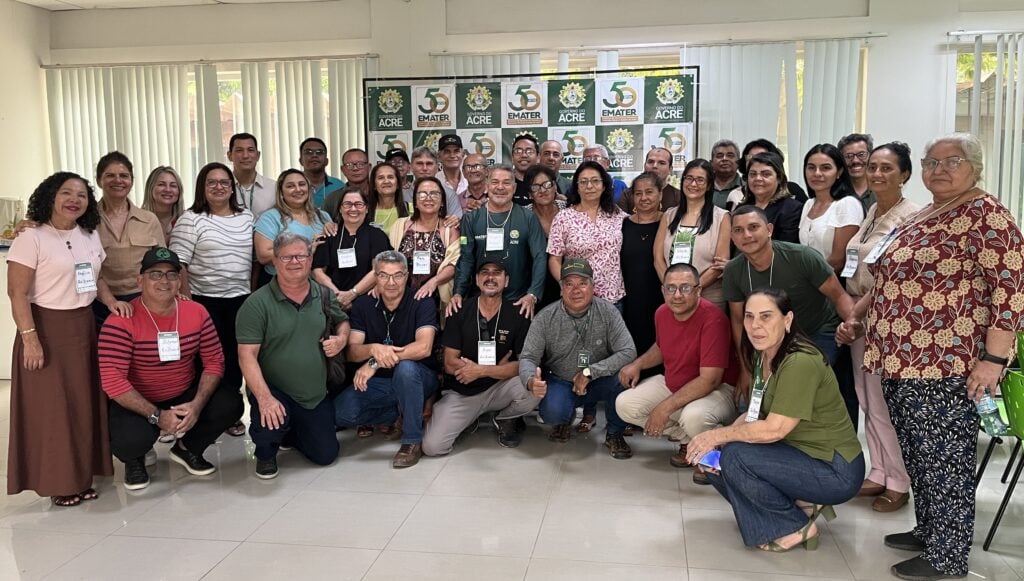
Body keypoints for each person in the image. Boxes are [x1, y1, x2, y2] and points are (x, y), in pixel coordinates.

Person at [857, 133, 1024, 581]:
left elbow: (1010, 291)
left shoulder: (986, 215)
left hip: (946, 361)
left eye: (953, 161)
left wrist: (994, 358)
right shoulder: (927, 213)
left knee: (945, 456)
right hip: (899, 357)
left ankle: (948, 555)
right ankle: (930, 529)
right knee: (918, 451)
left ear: (976, 166)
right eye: (932, 162)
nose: (939, 170)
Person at [687, 289, 863, 552]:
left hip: (835, 469)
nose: (755, 325)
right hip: (800, 454)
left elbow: (775, 429)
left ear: (787, 320)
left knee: (735, 456)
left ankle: (793, 526)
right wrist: (714, 446)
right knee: (716, 459)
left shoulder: (800, 361)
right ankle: (800, 504)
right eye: (749, 317)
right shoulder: (765, 354)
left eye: (766, 316)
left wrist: (717, 436)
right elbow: (754, 413)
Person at [6, 172, 115, 506]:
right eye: (66, 193)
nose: (74, 200)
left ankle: (82, 475)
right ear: (49, 196)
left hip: (83, 327)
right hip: (45, 328)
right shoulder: (31, 237)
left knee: (82, 406)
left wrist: (111, 303)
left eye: (81, 195)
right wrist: (30, 339)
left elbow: (95, 279)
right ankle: (59, 481)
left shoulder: (89, 234)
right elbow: (17, 293)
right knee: (54, 411)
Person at [99, 247, 242, 489]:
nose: (164, 281)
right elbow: (113, 381)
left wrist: (196, 405)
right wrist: (157, 416)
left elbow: (214, 361)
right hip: (140, 399)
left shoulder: (196, 311)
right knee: (129, 440)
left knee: (231, 404)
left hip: (182, 392)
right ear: (140, 280)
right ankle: (135, 459)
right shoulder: (121, 320)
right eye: (155, 274)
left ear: (179, 281)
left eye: (171, 275)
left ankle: (187, 449)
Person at [723, 206, 859, 423]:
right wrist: (746, 369)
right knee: (747, 401)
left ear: (769, 229)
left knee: (796, 383)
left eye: (753, 227)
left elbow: (839, 296)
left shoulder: (802, 257)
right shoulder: (733, 270)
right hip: (769, 340)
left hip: (816, 332)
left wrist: (852, 323)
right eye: (738, 230)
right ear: (732, 237)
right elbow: (738, 321)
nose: (746, 235)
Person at [842, 142, 918, 513]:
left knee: (885, 401)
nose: (876, 174)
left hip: (887, 320)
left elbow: (891, 276)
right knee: (866, 397)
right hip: (860, 318)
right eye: (872, 167)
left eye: (887, 168)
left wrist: (854, 312)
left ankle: (900, 481)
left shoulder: (911, 217)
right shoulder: (873, 210)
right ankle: (879, 470)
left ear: (904, 174)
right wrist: (851, 314)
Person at [237, 232, 349, 479]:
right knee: (269, 421)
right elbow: (246, 356)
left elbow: (343, 322)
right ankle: (266, 453)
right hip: (274, 390)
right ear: (275, 262)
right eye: (286, 257)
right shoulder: (256, 304)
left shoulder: (324, 295)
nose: (294, 262)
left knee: (326, 455)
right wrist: (264, 398)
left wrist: (341, 339)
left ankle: (290, 432)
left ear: (310, 260)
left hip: (314, 393)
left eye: (300, 255)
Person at [616, 263, 739, 482]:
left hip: (718, 390)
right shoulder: (662, 312)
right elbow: (662, 348)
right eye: (671, 288)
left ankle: (711, 454)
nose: (677, 295)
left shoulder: (714, 319)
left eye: (685, 288)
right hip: (675, 383)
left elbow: (710, 380)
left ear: (698, 290)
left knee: (694, 417)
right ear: (663, 291)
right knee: (625, 404)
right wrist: (638, 364)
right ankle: (690, 443)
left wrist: (664, 408)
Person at [169, 162, 254, 439]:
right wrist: (188, 302)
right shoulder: (190, 218)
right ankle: (202, 411)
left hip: (240, 299)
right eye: (211, 182)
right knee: (207, 360)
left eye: (224, 182)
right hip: (205, 300)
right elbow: (179, 263)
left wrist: (251, 292)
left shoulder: (246, 217)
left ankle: (231, 415)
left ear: (232, 187)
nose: (219, 187)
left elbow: (252, 260)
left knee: (235, 358)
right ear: (202, 188)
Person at [519, 258, 637, 457]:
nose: (576, 290)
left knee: (623, 377)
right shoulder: (546, 317)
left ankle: (615, 433)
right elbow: (528, 356)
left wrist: (590, 372)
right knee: (552, 413)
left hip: (599, 380)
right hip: (561, 379)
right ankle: (563, 420)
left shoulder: (608, 312)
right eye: (569, 284)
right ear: (561, 289)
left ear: (592, 286)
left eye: (583, 283)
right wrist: (530, 380)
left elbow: (628, 351)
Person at [334, 251, 439, 468]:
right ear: (375, 277)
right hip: (381, 383)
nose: (391, 282)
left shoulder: (422, 301)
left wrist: (374, 362)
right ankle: (401, 412)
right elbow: (352, 352)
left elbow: (424, 348)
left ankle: (412, 441)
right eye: (383, 276)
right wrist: (373, 349)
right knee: (340, 413)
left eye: (398, 275)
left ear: (407, 276)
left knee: (406, 369)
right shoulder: (363, 305)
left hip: (419, 377)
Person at [423, 258, 538, 454]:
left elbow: (525, 365)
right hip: (463, 392)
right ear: (476, 280)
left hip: (499, 388)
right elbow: (450, 364)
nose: (490, 277)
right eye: (485, 272)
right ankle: (470, 417)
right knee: (432, 447)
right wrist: (501, 369)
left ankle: (504, 417)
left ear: (506, 281)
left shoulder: (518, 314)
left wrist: (481, 371)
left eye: (497, 273)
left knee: (533, 385)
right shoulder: (459, 311)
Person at [449, 164, 546, 319]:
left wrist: (533, 294)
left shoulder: (528, 218)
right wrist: (458, 292)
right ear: (487, 187)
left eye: (506, 183)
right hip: (481, 301)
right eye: (495, 182)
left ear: (514, 188)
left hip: (519, 302)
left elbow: (540, 257)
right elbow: (466, 259)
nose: (500, 187)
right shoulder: (470, 219)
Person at [95, 151, 164, 323]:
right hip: (100, 303)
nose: (118, 180)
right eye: (110, 175)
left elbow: (162, 262)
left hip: (145, 300)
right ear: (99, 181)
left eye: (124, 176)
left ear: (131, 181)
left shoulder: (148, 219)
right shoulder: (85, 221)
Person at [547, 161, 628, 308]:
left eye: (595, 181)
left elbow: (639, 222)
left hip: (613, 299)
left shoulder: (616, 214)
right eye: (583, 182)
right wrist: (567, 285)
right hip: (577, 298)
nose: (589, 186)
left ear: (604, 186)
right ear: (576, 187)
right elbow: (554, 259)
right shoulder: (564, 217)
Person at [654, 159, 731, 309]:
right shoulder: (669, 215)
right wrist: (673, 289)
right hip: (673, 299)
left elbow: (719, 263)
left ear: (709, 186)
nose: (693, 184)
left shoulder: (722, 218)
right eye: (689, 178)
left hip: (709, 298)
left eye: (700, 180)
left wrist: (690, 290)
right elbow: (658, 259)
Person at [312, 187, 393, 311]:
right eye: (347, 204)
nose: (353, 209)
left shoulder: (377, 235)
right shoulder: (329, 235)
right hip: (333, 304)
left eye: (359, 204)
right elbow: (317, 271)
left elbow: (378, 270)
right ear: (340, 209)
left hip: (368, 303)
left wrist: (352, 294)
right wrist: (338, 296)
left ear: (366, 209)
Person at [388, 176, 460, 308]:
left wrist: (433, 282)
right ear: (415, 201)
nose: (428, 198)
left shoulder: (450, 229)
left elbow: (454, 264)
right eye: (422, 194)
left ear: (442, 201)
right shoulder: (400, 225)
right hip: (401, 297)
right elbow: (389, 261)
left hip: (435, 298)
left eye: (434, 194)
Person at [253, 169, 334, 285]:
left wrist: (335, 228)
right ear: (281, 193)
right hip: (282, 285)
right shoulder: (270, 218)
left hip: (319, 284)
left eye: (302, 184)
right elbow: (264, 256)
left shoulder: (323, 216)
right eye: (290, 186)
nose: (298, 189)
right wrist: (306, 250)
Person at [619, 172, 665, 369]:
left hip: (662, 299)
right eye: (638, 193)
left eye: (649, 192)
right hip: (631, 302)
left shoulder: (670, 222)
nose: (644, 198)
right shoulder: (622, 224)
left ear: (660, 194)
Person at [799, 144, 863, 273]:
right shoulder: (809, 204)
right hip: (809, 281)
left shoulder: (847, 204)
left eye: (825, 168)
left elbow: (838, 261)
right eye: (811, 168)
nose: (817, 173)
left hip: (835, 284)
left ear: (839, 172)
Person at [736, 152, 802, 244]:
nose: (758, 178)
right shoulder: (740, 209)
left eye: (766, 174)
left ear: (779, 178)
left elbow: (785, 248)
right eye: (753, 174)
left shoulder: (792, 208)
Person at [523, 164, 564, 310]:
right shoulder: (523, 216)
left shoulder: (569, 211)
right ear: (529, 193)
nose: (542, 190)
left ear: (555, 187)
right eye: (535, 187)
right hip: (532, 288)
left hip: (565, 284)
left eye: (547, 184)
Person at [739, 139, 808, 205]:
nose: (757, 161)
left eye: (766, 174)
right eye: (751, 157)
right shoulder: (740, 199)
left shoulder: (791, 201)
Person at [617, 147, 681, 213]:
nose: (655, 166)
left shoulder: (679, 197)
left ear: (670, 169)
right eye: (650, 162)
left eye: (661, 163)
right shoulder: (628, 194)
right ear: (644, 166)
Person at [228, 132, 277, 217]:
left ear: (258, 155)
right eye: (239, 150)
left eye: (250, 150)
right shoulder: (221, 189)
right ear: (230, 156)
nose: (245, 156)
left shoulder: (274, 188)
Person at [410, 147, 462, 218]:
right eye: (419, 163)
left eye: (429, 164)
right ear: (411, 167)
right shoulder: (402, 195)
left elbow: (455, 223)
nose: (424, 168)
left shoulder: (450, 195)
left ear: (437, 167)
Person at [363, 162, 411, 232]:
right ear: (374, 185)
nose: (386, 181)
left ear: (397, 184)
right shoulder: (364, 211)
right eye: (381, 178)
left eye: (390, 177)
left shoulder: (411, 210)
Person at [299, 137, 345, 210]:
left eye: (319, 152)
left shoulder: (339, 186)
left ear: (326, 161)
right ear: (300, 160)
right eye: (308, 152)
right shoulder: (293, 187)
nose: (314, 155)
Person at [141, 165, 184, 241]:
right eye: (161, 184)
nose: (168, 189)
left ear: (179, 191)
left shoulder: (187, 221)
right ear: (150, 188)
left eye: (173, 186)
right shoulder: (138, 220)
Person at [322, 148, 371, 213]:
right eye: (349, 165)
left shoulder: (380, 194)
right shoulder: (333, 199)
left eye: (360, 164)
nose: (355, 168)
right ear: (343, 170)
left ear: (369, 167)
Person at [838, 133, 876, 213]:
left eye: (861, 155)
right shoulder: (834, 192)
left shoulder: (881, 191)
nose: (855, 160)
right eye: (849, 156)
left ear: (871, 156)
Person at [710, 139, 743, 209]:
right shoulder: (702, 187)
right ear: (711, 163)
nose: (724, 159)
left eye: (730, 156)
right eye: (719, 156)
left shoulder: (747, 188)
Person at [436, 134, 468, 202]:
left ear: (463, 154)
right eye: (447, 151)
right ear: (439, 156)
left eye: (456, 151)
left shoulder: (470, 180)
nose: (452, 155)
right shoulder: (434, 181)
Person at [511, 133, 540, 206]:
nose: (524, 155)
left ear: (538, 157)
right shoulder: (504, 183)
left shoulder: (546, 184)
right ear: (512, 157)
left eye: (529, 151)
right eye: (518, 151)